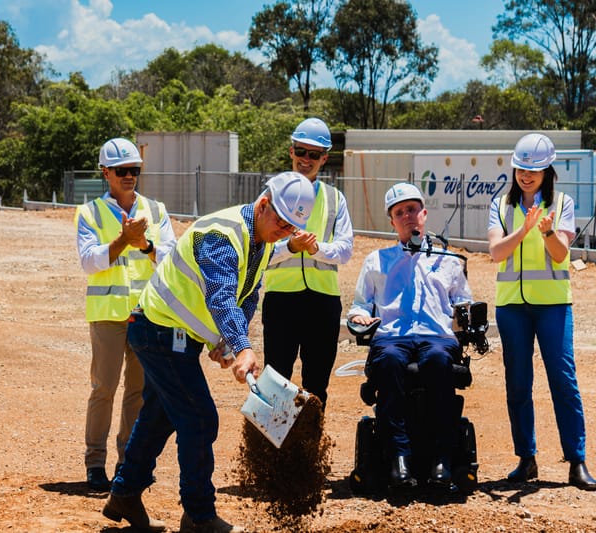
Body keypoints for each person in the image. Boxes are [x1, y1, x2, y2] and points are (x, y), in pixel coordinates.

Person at [102, 172, 316, 533]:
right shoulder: (221, 234)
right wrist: (242, 347)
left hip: (174, 334)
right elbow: (220, 295)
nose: (285, 231)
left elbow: (247, 294)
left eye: (292, 227)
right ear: (263, 205)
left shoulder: (260, 240)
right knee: (199, 419)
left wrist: (228, 341)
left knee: (161, 416)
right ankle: (199, 515)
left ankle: (124, 494)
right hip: (158, 330)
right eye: (281, 221)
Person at [487, 132, 596, 490]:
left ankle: (577, 461)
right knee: (518, 383)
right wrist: (523, 229)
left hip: (552, 305)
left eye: (533, 170)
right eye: (521, 169)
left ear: (548, 170)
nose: (526, 176)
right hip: (511, 308)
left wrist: (548, 233)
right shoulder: (500, 205)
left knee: (563, 381)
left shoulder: (562, 202)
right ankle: (526, 459)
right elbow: (496, 253)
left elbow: (562, 254)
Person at [347, 182, 472, 491]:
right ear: (392, 221)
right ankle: (399, 459)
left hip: (437, 337)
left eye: (412, 210)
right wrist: (359, 316)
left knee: (437, 362)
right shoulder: (377, 260)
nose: (407, 216)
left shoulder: (449, 260)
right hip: (392, 337)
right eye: (399, 212)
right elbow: (360, 305)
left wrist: (469, 318)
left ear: (424, 214)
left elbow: (463, 305)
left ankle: (440, 460)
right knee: (388, 362)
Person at [75, 137, 176, 492]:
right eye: (122, 171)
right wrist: (122, 240)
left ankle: (127, 463)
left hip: (147, 314)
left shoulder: (156, 210)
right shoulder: (89, 213)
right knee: (104, 388)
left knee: (138, 391)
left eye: (134, 170)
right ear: (105, 173)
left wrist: (145, 243)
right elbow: (89, 262)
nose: (130, 176)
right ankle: (95, 463)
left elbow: (171, 256)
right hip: (107, 314)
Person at [262, 117, 353, 409]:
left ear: (324, 158)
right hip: (281, 300)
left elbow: (345, 250)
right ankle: (269, 453)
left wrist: (314, 249)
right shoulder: (270, 194)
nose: (306, 159)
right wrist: (290, 246)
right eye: (301, 151)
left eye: (314, 154)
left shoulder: (335, 198)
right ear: (291, 151)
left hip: (323, 303)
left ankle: (310, 453)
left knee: (317, 385)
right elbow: (258, 251)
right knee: (274, 381)